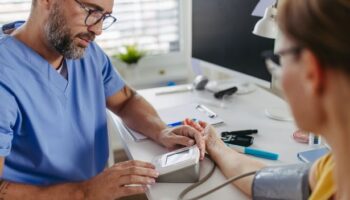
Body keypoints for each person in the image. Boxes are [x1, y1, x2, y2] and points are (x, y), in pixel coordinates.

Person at [0, 0, 206, 199]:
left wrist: (162, 130)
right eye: (91, 11)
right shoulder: (6, 73)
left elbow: (126, 101)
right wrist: (84, 193)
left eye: (105, 17)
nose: (98, 30)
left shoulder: (84, 51)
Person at [185, 0, 350, 199]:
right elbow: (263, 181)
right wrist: (214, 144)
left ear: (311, 72)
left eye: (278, 58)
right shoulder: (332, 168)